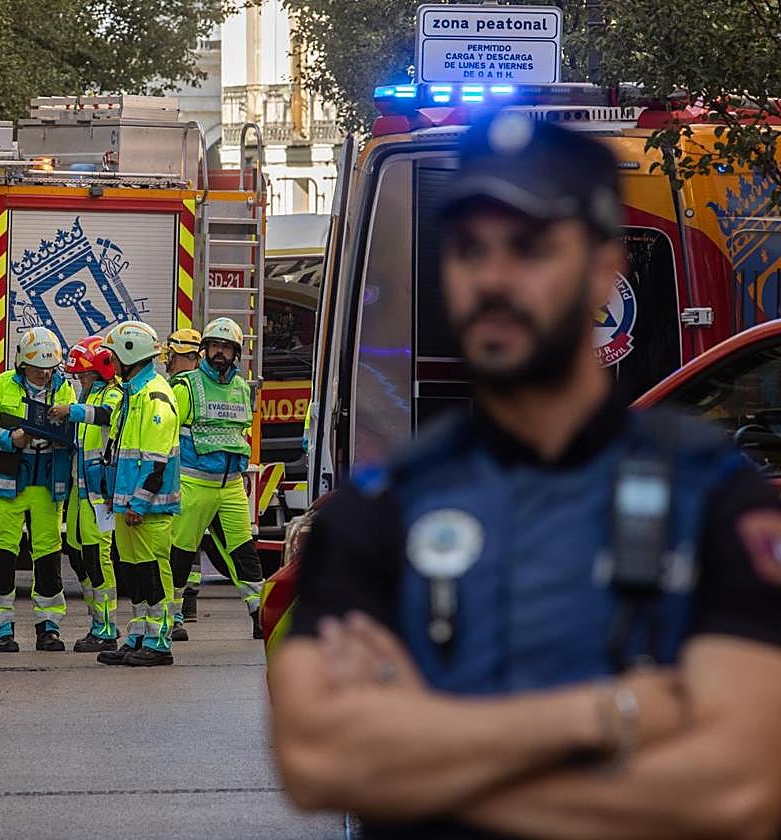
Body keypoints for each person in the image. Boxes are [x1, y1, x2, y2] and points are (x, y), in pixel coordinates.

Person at [269, 112, 781, 839]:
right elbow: (315, 760)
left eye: (530, 247)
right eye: (470, 249)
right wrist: (612, 714)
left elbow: (741, 788)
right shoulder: (377, 513)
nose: (494, 278)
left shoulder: (710, 498)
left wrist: (423, 752)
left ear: (607, 268)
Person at [0, 326, 76, 653]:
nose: (44, 373)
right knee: (2, 555)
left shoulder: (64, 390)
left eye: (49, 367)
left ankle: (49, 627)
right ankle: (2, 628)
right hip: (7, 481)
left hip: (47, 481)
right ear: (22, 363)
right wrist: (11, 439)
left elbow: (73, 431)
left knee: (47, 556)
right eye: (37, 367)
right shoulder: (1, 386)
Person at [169, 317, 265, 641]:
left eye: (226, 347)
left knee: (244, 552)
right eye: (214, 346)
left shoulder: (241, 387)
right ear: (204, 349)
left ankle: (261, 614)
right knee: (180, 554)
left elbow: (241, 432)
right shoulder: (186, 386)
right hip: (194, 483)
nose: (220, 353)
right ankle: (171, 618)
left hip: (231, 485)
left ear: (235, 353)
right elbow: (168, 435)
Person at [95, 320, 181, 667]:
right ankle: (138, 635)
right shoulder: (133, 392)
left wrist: (139, 503)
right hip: (129, 504)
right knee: (134, 574)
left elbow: (156, 461)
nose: (111, 365)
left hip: (148, 507)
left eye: (114, 358)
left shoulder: (155, 395)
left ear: (132, 356)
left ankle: (159, 642)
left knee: (152, 572)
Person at [51, 336, 124, 653]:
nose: (80, 380)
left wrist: (72, 410)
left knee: (98, 559)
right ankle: (97, 619)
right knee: (78, 554)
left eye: (84, 374)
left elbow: (105, 415)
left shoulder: (115, 395)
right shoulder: (91, 394)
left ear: (100, 371)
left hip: (100, 495)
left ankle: (106, 627)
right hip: (81, 493)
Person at [162, 328, 205, 623]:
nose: (168, 362)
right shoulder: (206, 386)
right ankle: (188, 602)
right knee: (192, 544)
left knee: (180, 544)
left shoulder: (181, 388)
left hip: (184, 475)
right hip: (207, 478)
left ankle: (180, 606)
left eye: (173, 357)